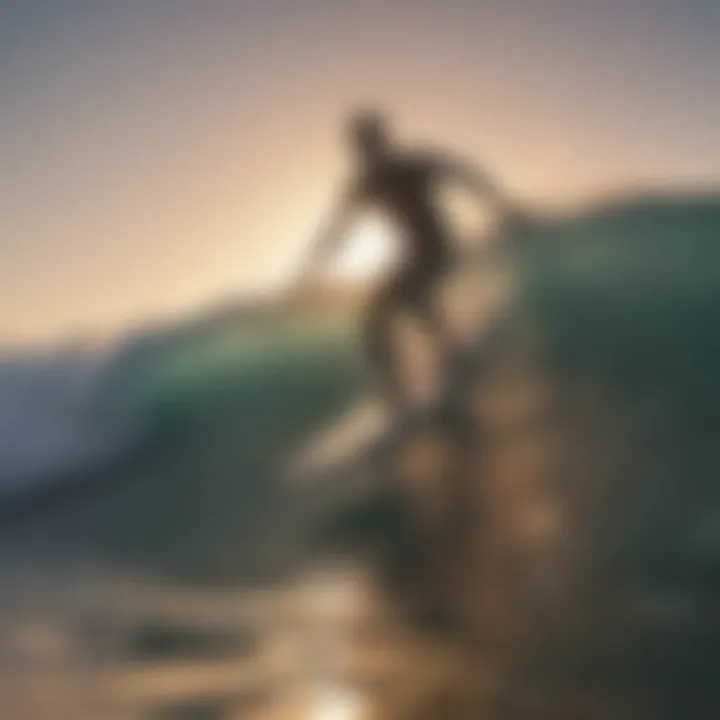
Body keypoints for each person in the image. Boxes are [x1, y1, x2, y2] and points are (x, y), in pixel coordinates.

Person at [297, 110, 514, 409]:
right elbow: (338, 229)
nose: (370, 150)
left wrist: (501, 206)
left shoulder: (411, 166)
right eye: (363, 145)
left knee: (401, 305)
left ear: (383, 140)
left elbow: (462, 172)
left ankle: (440, 363)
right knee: (380, 319)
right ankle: (417, 375)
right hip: (413, 254)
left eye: (373, 141)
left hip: (439, 247)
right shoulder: (366, 185)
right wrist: (312, 268)